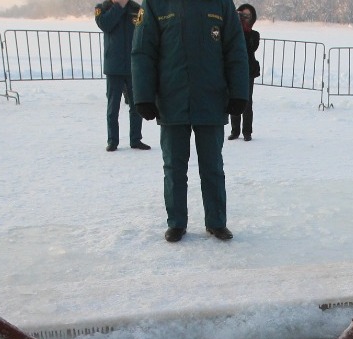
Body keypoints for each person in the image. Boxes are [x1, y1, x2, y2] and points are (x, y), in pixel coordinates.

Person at [131, 0, 249, 243]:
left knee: (212, 166)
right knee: (174, 167)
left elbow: (235, 49)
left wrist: (239, 92)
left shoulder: (221, 3)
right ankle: (176, 222)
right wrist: (143, 96)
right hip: (172, 98)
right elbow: (143, 51)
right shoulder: (155, 4)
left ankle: (216, 221)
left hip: (211, 98)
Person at [96, 0, 151, 152]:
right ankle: (112, 141)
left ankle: (136, 139)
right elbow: (105, 25)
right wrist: (118, 7)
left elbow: (144, 31)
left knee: (136, 106)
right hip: (113, 67)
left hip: (133, 67)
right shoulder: (103, 8)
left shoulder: (136, 9)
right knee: (113, 107)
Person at [227, 4, 260, 142]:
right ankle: (235, 131)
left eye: (248, 16)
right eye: (242, 15)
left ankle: (247, 131)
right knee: (234, 99)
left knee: (247, 101)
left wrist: (243, 30)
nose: (245, 18)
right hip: (234, 70)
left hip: (248, 71)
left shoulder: (254, 35)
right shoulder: (232, 31)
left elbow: (250, 48)